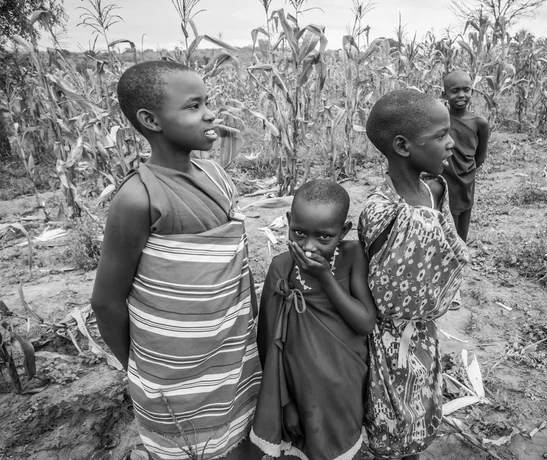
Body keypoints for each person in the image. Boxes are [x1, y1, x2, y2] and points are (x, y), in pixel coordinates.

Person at [91, 60, 262, 460]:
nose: (210, 114)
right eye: (193, 106)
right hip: (170, 372)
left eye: (208, 102)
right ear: (150, 120)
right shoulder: (138, 199)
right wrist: (141, 369)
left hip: (231, 353)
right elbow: (105, 301)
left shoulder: (217, 177)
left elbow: (237, 264)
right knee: (185, 447)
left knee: (236, 435)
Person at [357, 89, 470, 459]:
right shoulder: (381, 212)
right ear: (403, 146)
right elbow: (383, 291)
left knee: (421, 405)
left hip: (423, 332)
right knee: (390, 414)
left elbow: (448, 250)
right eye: (440, 136)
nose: (451, 143)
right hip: (387, 340)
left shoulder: (432, 189)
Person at [251, 179, 376, 460]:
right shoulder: (281, 267)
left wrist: (325, 278)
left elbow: (365, 322)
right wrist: (285, 403)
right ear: (287, 221)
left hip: (344, 388)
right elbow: (268, 342)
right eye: (298, 232)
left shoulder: (353, 255)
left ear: (343, 231)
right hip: (299, 390)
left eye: (324, 237)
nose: (308, 247)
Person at [441, 70, 490, 242]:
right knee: (447, 227)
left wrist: (465, 172)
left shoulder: (479, 123)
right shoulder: (440, 119)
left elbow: (480, 157)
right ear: (444, 94)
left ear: (472, 92)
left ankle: (459, 261)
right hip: (445, 180)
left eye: (466, 90)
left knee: (462, 227)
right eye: (455, 91)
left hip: (467, 179)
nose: (461, 95)